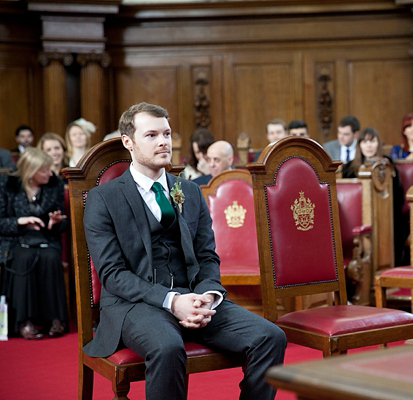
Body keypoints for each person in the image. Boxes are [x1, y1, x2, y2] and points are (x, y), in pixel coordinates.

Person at [83, 102, 286, 400]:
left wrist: (208, 296)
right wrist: (172, 301)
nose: (163, 141)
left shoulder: (188, 191)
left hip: (194, 296)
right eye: (151, 135)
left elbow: (207, 256)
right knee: (167, 347)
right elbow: (113, 275)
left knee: (270, 337)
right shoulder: (103, 199)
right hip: (134, 305)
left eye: (166, 133)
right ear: (128, 142)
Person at [0, 148, 69, 340]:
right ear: (31, 171)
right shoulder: (8, 185)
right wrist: (19, 222)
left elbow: (64, 222)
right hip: (16, 239)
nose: (50, 173)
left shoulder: (53, 184)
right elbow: (1, 222)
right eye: (45, 170)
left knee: (50, 257)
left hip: (46, 237)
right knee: (23, 257)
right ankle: (23, 321)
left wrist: (55, 222)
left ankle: (55, 319)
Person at [342, 127, 407, 267]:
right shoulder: (349, 168)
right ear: (359, 145)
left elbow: (398, 197)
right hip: (358, 216)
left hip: (386, 216)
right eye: (364, 142)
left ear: (378, 144)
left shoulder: (387, 164)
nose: (369, 146)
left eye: (372, 141)